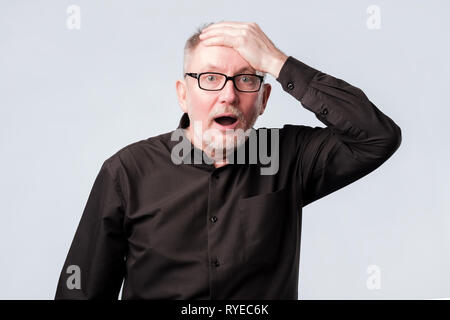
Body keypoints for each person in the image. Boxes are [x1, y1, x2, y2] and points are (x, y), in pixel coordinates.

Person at [55, 21, 402, 299]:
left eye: (246, 79)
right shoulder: (126, 173)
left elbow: (376, 136)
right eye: (209, 78)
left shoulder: (290, 156)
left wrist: (278, 63)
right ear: (182, 94)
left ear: (264, 98)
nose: (229, 94)